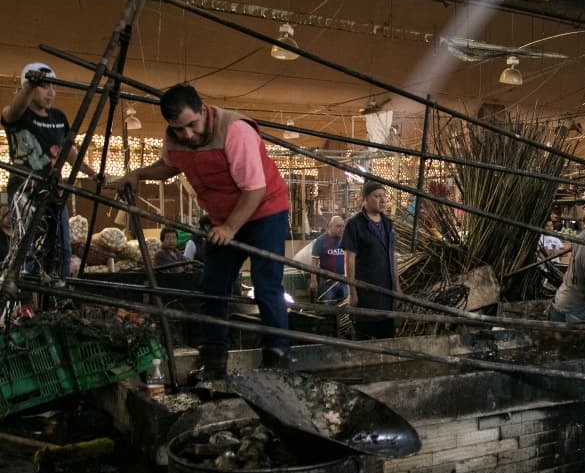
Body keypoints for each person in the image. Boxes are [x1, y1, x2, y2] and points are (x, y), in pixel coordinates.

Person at [113, 83, 291, 380]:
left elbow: (255, 189)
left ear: (202, 109)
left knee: (267, 284)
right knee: (212, 285)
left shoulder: (235, 132)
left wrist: (230, 228)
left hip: (264, 211)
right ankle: (215, 356)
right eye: (179, 129)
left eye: (192, 125)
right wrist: (138, 173)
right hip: (222, 218)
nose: (187, 135)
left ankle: (278, 355)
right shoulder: (174, 139)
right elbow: (169, 167)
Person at [1, 62, 98, 284]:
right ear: (30, 86)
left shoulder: (58, 117)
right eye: (44, 87)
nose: (50, 92)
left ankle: (60, 294)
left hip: (54, 191)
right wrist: (28, 85)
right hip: (25, 192)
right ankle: (23, 302)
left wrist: (93, 174)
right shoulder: (17, 115)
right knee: (27, 247)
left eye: (53, 87)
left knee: (62, 247)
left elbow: (69, 153)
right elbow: (11, 111)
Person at [342, 180, 399, 339]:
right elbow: (349, 260)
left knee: (387, 340)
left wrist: (397, 288)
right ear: (365, 199)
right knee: (365, 340)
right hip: (366, 293)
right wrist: (352, 292)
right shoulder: (355, 225)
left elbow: (392, 257)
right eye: (377, 196)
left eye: (384, 196)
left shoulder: (388, 224)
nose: (382, 200)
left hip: (386, 293)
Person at [310, 215, 347, 303]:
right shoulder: (320, 241)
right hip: (327, 282)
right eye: (338, 226)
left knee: (346, 307)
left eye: (342, 226)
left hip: (344, 281)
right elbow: (314, 262)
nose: (341, 229)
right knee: (328, 306)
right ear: (330, 226)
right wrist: (313, 281)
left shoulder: (345, 240)